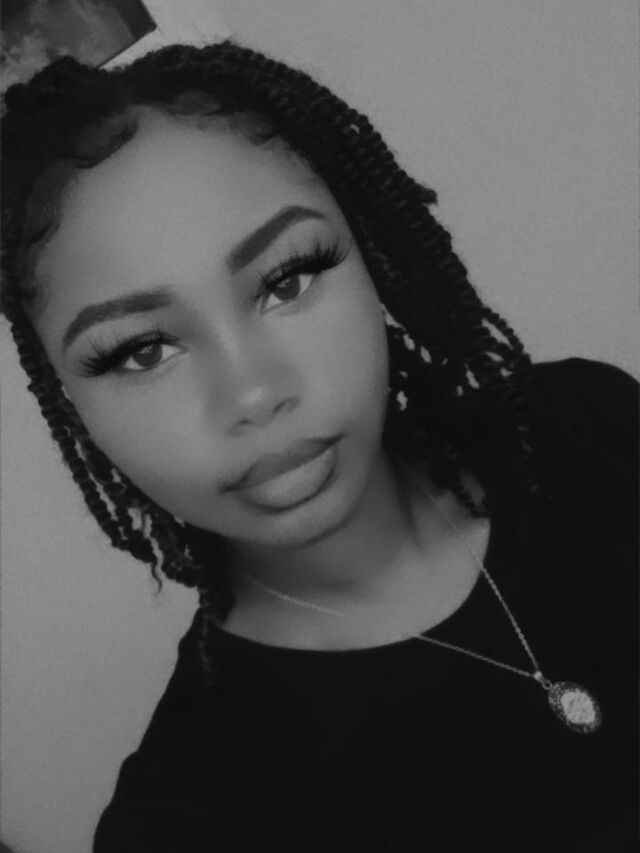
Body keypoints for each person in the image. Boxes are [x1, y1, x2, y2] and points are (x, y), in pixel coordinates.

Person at [1, 39, 637, 853]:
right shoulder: (188, 820)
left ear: (369, 253)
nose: (254, 393)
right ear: (70, 404)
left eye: (286, 279)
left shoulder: (588, 421)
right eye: (142, 350)